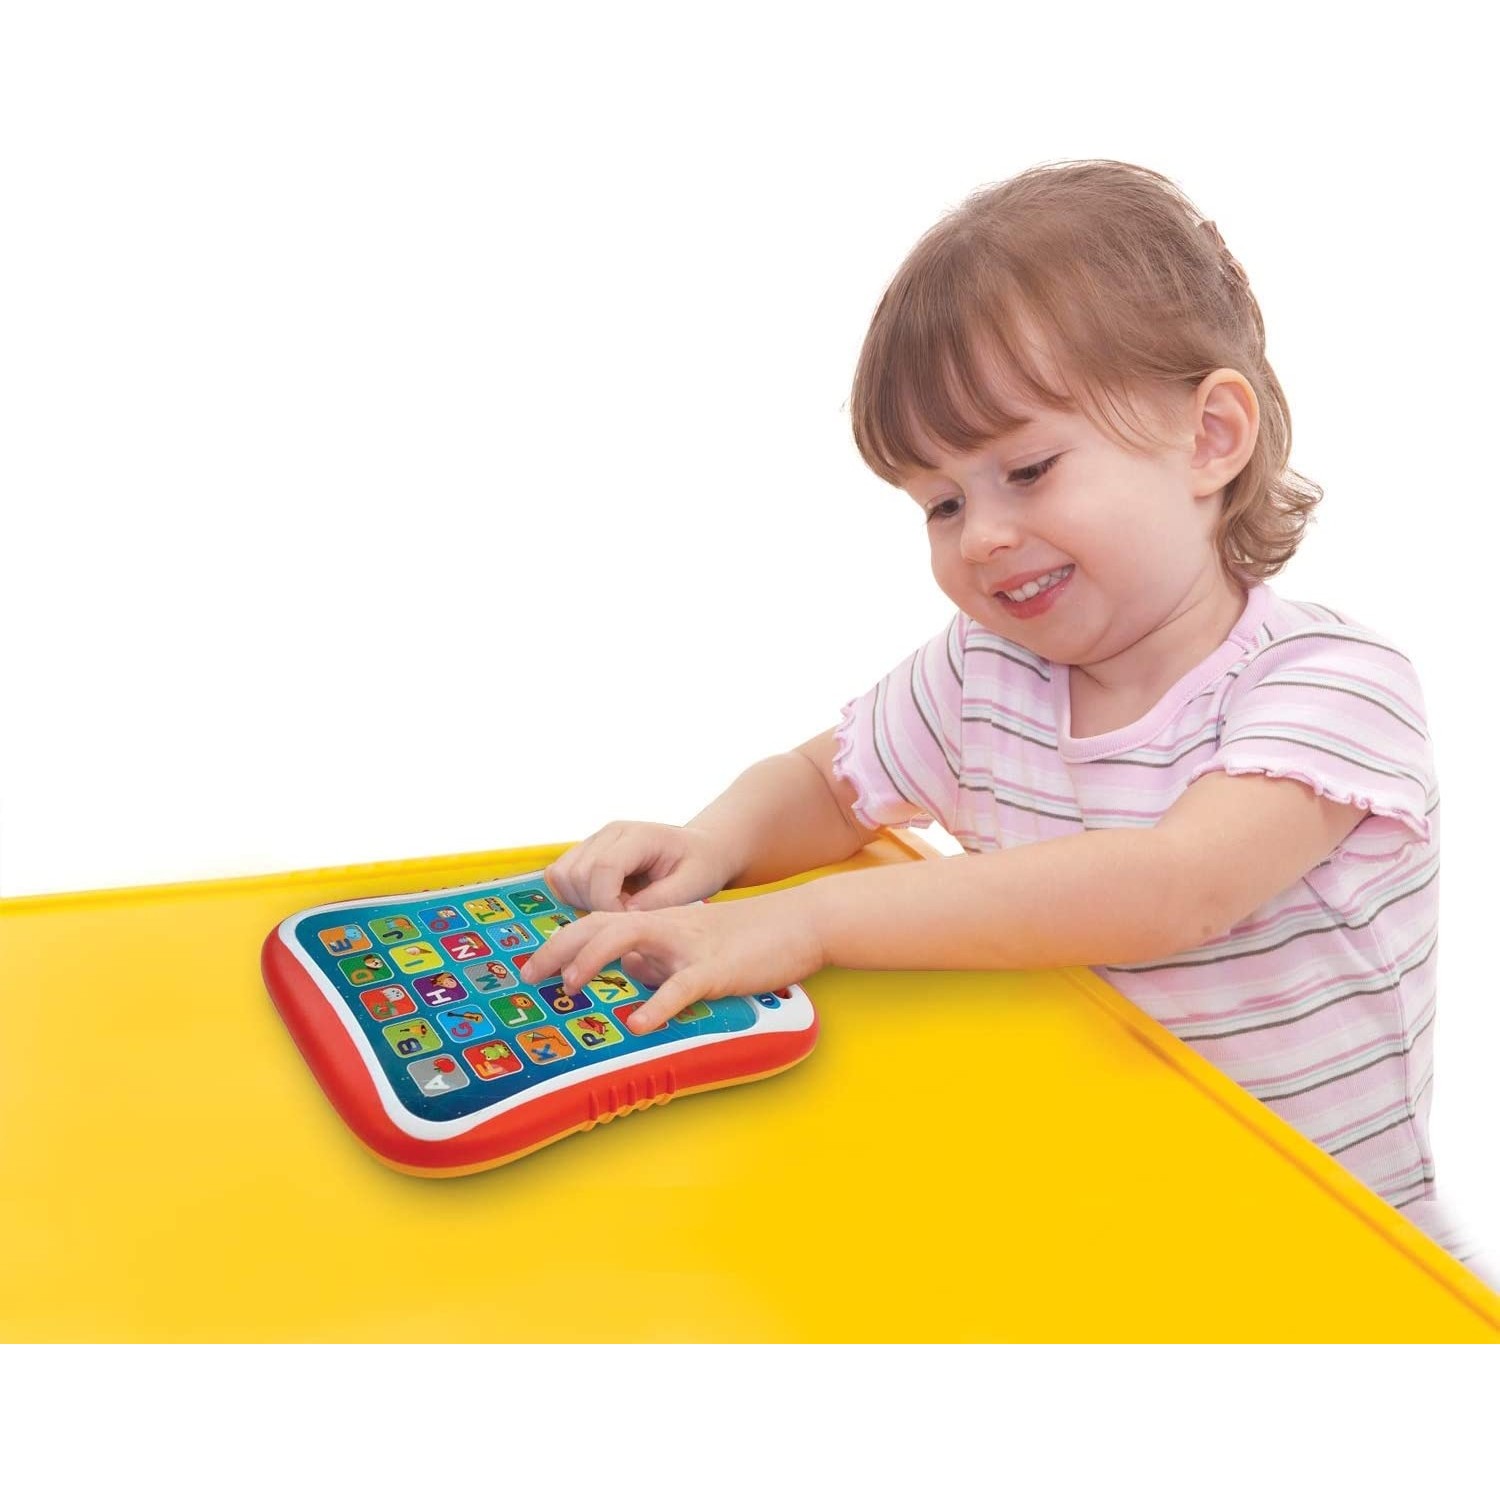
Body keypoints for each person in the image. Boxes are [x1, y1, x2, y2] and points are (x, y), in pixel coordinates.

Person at [518, 158, 1496, 1292]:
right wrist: (714, 842)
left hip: (1324, 1252)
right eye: (941, 502)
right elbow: (830, 783)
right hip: (1087, 1210)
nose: (979, 536)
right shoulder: (987, 672)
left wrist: (809, 922)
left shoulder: (1330, 685)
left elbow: (1175, 889)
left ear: (1209, 438)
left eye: (1027, 470)